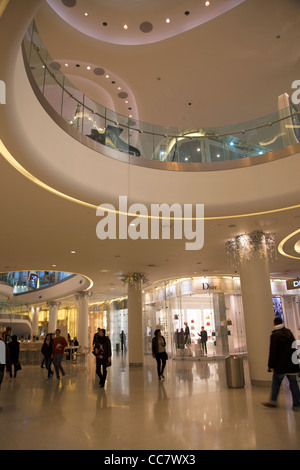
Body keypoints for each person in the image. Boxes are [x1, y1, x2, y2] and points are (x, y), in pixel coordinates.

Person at [262, 317, 300, 411]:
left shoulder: (275, 335)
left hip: (280, 365)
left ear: (274, 323)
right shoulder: (289, 332)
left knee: (276, 382)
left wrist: (271, 365)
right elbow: (294, 346)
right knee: (293, 383)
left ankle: (273, 401)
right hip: (291, 364)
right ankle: (297, 405)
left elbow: (273, 352)